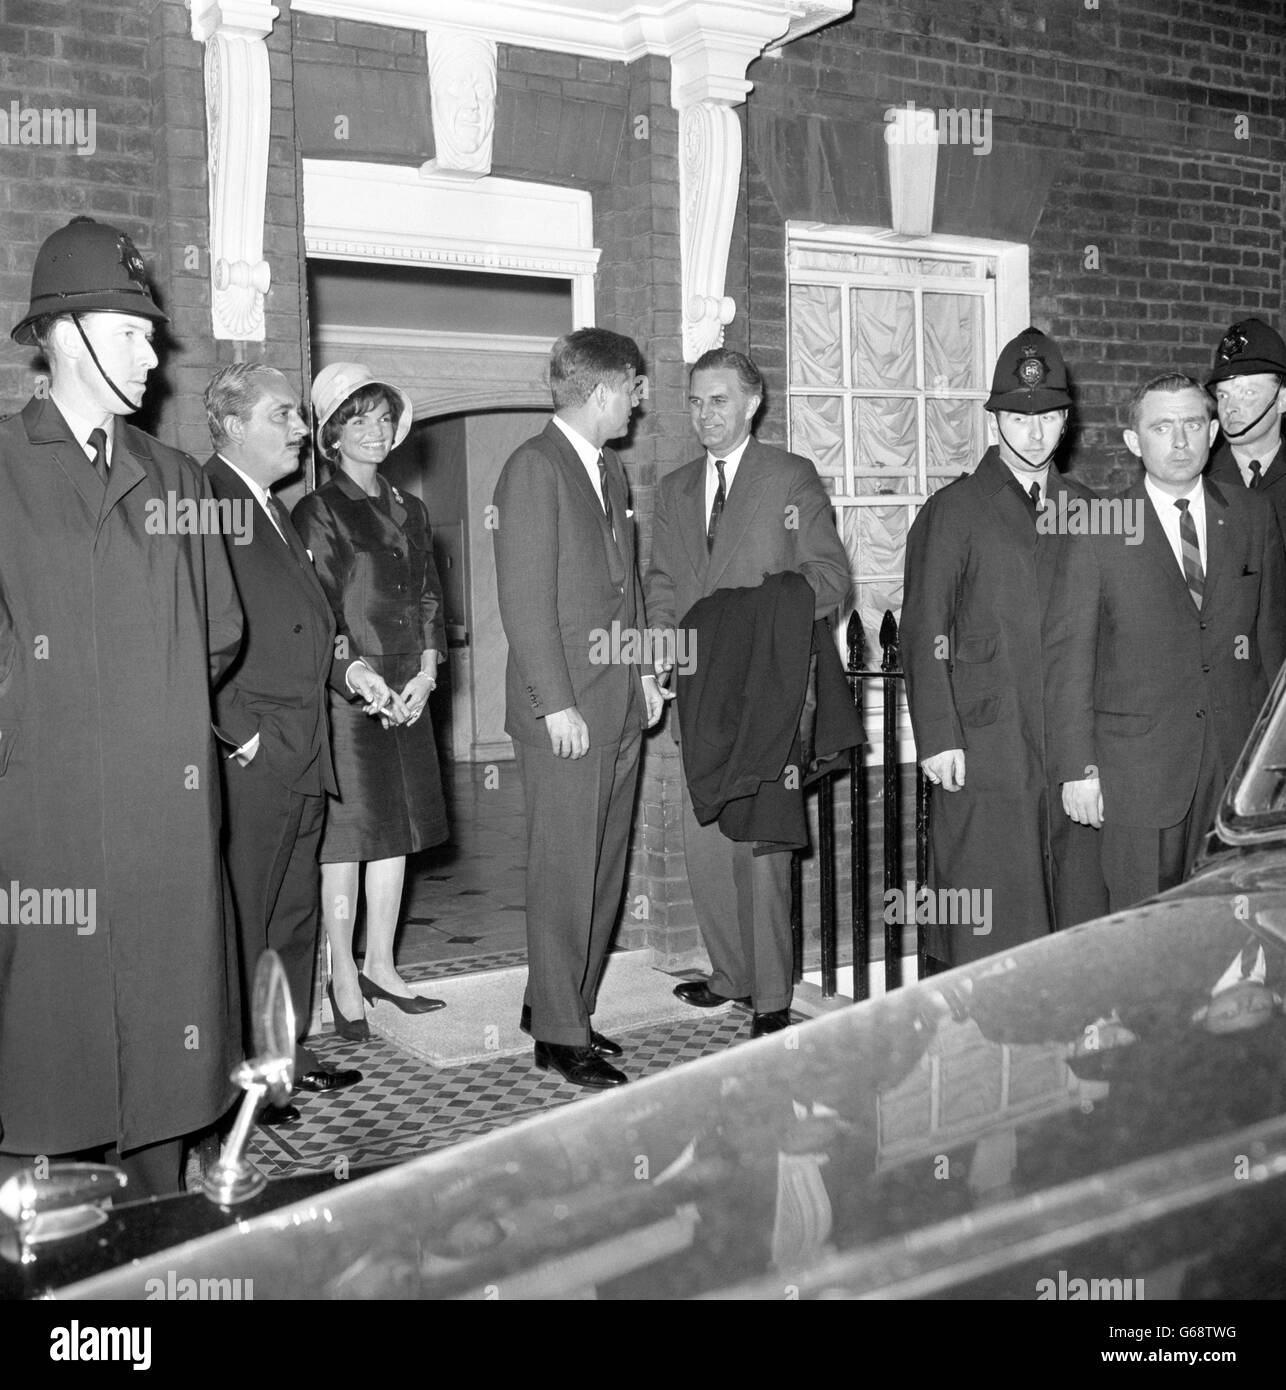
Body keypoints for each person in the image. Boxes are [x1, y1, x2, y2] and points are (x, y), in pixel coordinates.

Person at [0, 216, 244, 1196]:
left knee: (163, 1100)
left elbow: (221, 630)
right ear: (64, 334)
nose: (155, 355)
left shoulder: (177, 480)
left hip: (166, 832)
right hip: (42, 832)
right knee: (44, 1087)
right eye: (132, 331)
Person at [205, 364, 401, 1119]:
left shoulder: (272, 507)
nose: (298, 429)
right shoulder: (206, 502)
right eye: (282, 415)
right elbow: (195, 630)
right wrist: (240, 735)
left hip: (307, 741)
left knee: (293, 914)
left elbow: (313, 623)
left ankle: (282, 1058)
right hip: (255, 755)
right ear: (231, 426)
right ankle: (236, 1074)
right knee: (247, 914)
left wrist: (355, 677)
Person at [645, 348, 851, 1035]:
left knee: (761, 849)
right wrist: (658, 655)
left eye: (721, 400)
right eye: (697, 401)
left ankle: (769, 998)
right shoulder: (674, 489)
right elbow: (665, 588)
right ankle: (729, 974)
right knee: (705, 839)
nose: (706, 414)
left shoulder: (790, 478)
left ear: (753, 403)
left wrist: (748, 616)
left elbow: (828, 578)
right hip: (698, 690)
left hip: (765, 692)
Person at [901, 327, 1104, 971]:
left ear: (1066, 420)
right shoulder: (954, 509)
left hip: (1070, 742)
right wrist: (938, 735)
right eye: (1019, 415)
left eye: (1048, 416)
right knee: (994, 906)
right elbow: (923, 628)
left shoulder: (1087, 508)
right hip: (988, 743)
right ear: (996, 421)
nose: (1034, 431)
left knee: (1074, 905)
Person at [492, 328, 664, 1089]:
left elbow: (625, 592)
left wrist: (646, 678)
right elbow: (524, 604)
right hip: (566, 713)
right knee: (564, 873)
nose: (640, 399)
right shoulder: (534, 468)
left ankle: (562, 1005)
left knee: (600, 870)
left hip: (618, 703)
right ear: (601, 391)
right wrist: (555, 704)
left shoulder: (610, 472)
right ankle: (560, 1037)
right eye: (633, 385)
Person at [1049, 373, 1286, 911]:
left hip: (1236, 771)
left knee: (1231, 932)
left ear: (1212, 433)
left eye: (1192, 424)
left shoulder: (1251, 516)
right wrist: (1076, 769)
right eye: (1162, 427)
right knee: (1144, 939)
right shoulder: (1097, 528)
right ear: (1134, 442)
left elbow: (1272, 648)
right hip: (1139, 777)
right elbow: (1069, 661)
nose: (1180, 441)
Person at [292, 364, 449, 1034]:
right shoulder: (318, 511)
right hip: (349, 695)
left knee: (398, 835)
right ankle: (340, 974)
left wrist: (428, 673)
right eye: (359, 419)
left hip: (407, 689)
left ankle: (380, 965)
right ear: (331, 434)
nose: (376, 431)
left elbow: (430, 598)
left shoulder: (411, 509)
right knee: (348, 843)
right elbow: (315, 614)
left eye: (384, 418)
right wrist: (359, 677)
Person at [1205, 317, 1286, 534]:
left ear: (1282, 400)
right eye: (1223, 394)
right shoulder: (1198, 475)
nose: (1229, 407)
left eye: (1248, 393)